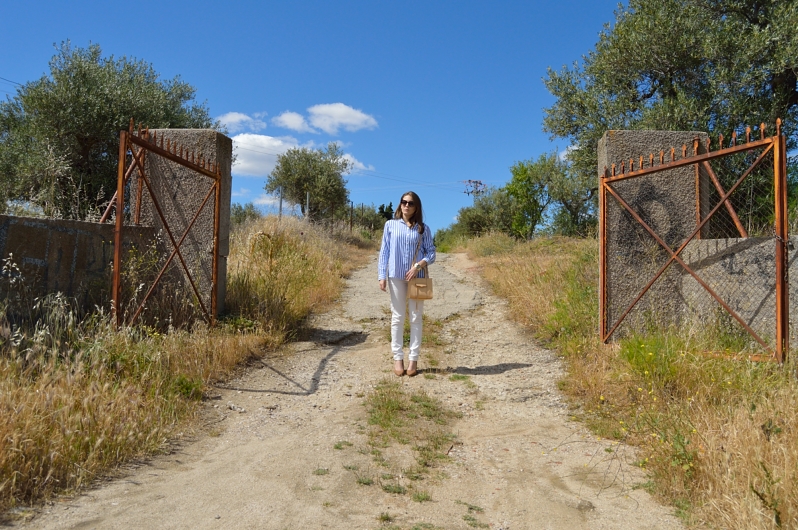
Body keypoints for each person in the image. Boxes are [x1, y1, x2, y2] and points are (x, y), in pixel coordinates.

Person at [378, 191, 436, 377]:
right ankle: (398, 358)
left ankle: (413, 359)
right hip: (395, 276)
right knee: (397, 317)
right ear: (400, 204)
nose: (406, 206)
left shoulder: (423, 229)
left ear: (416, 207)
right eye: (404, 202)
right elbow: (384, 252)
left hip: (417, 278)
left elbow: (432, 253)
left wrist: (419, 265)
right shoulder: (390, 225)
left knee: (416, 317)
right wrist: (382, 275)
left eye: (410, 203)